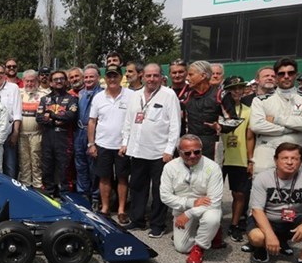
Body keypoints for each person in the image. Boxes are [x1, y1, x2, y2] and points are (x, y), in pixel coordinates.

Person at [120, 63, 180, 235]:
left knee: (159, 190)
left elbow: (175, 124)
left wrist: (169, 149)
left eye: (155, 75)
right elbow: (128, 121)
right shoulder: (135, 96)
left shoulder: (169, 95)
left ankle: (157, 224)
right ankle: (137, 220)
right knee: (137, 187)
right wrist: (125, 143)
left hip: (159, 153)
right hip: (137, 150)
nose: (152, 79)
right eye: (148, 75)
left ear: (161, 77)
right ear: (143, 76)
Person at [159, 135, 224, 263]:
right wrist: (191, 203)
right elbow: (165, 196)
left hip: (206, 208)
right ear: (179, 152)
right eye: (187, 153)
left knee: (212, 219)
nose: (193, 156)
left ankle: (199, 247)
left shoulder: (213, 167)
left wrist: (189, 214)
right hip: (182, 209)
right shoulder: (169, 167)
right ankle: (210, 233)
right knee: (182, 248)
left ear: (201, 150)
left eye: (197, 152)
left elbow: (215, 201)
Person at [249, 57, 302, 175]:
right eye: (281, 73)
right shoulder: (260, 100)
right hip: (265, 154)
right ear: (276, 76)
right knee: (262, 186)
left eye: (290, 73)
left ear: (296, 75)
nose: (286, 76)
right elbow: (256, 125)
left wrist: (276, 119)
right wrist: (290, 129)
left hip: (294, 154)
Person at [87, 66, 133, 221]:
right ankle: (105, 208)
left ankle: (121, 210)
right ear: (104, 78)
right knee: (104, 177)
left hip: (123, 145)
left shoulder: (131, 95)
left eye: (115, 76)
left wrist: (128, 142)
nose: (112, 79)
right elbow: (92, 122)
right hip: (102, 144)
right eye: (109, 76)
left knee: (122, 178)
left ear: (121, 77)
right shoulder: (98, 97)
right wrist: (91, 144)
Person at [219, 76, 252, 242]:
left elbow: (250, 136)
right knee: (213, 193)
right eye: (233, 88)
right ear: (226, 91)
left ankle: (234, 225)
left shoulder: (248, 110)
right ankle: (214, 226)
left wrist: (251, 160)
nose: (237, 91)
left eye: (240, 87)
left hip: (239, 156)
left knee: (239, 194)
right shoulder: (219, 108)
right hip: (220, 157)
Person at [37, 70, 79, 196]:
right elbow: (39, 118)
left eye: (61, 79)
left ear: (66, 81)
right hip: (48, 137)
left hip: (64, 137)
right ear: (51, 82)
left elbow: (71, 116)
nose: (59, 81)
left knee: (64, 167)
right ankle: (49, 193)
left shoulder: (72, 98)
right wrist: (57, 120)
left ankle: (66, 195)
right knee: (47, 167)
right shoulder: (45, 99)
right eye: (55, 79)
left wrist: (52, 115)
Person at [181, 61, 225, 161]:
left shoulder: (220, 95)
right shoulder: (186, 96)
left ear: (203, 76)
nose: (187, 78)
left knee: (211, 170)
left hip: (213, 145)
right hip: (191, 144)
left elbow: (234, 119)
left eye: (191, 75)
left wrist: (220, 126)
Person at [75, 65, 102, 203]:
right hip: (79, 132)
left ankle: (96, 195)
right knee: (80, 164)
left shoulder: (102, 94)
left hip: (94, 132)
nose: (88, 79)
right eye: (86, 77)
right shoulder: (80, 94)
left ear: (98, 78)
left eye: (91, 77)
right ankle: (83, 193)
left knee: (94, 165)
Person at [0, 64, 22, 178]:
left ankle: (11, 187)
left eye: (0, 73)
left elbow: (17, 112)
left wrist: (15, 133)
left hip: (9, 133)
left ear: (5, 74)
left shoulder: (13, 88)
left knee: (10, 166)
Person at [18, 70, 45, 189]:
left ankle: (38, 185)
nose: (29, 83)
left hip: (37, 133)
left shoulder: (43, 95)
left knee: (36, 160)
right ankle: (26, 185)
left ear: (37, 81)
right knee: (24, 161)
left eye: (32, 81)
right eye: (27, 81)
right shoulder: (18, 94)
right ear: (23, 81)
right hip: (21, 134)